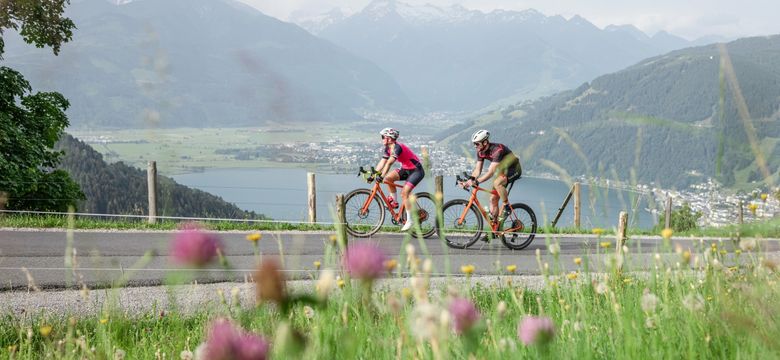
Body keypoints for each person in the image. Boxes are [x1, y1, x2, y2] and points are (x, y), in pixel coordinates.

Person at [370, 128, 425, 231]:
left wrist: (381, 175)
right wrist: (373, 174)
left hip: (416, 171)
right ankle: (394, 202)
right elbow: (382, 162)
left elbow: (389, 163)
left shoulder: (397, 147)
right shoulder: (388, 148)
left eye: (383, 137)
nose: (381, 139)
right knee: (388, 178)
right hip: (405, 169)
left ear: (389, 138)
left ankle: (410, 220)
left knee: (404, 193)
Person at [463, 129, 522, 226]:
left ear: (485, 142)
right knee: (493, 200)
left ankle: (507, 207)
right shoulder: (480, 152)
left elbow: (491, 172)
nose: (475, 146)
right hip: (502, 172)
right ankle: (494, 228)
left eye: (477, 144)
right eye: (474, 144)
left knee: (497, 183)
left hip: (514, 169)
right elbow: (477, 170)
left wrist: (477, 182)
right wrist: (470, 180)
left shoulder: (497, 150)